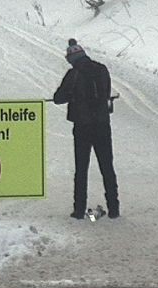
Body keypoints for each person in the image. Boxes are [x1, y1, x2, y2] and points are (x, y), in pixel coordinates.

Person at [53, 38, 120, 219]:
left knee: (81, 169)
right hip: (102, 125)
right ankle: (114, 208)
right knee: (107, 167)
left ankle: (79, 209)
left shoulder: (73, 74)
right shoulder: (102, 69)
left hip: (82, 127)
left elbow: (58, 97)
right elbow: (105, 92)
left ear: (71, 59)